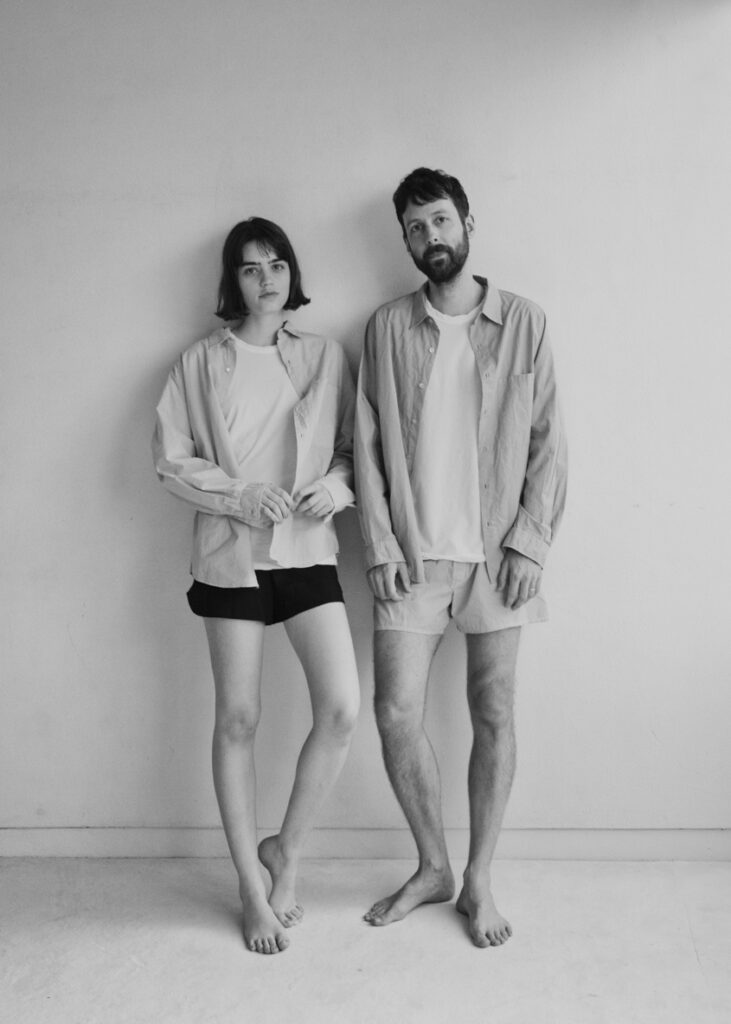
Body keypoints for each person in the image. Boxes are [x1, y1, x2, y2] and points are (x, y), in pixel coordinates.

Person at [354, 168, 567, 948]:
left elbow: (548, 442)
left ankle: (479, 878)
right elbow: (365, 443)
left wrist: (529, 542)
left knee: (494, 710)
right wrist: (379, 545)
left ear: (467, 223)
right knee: (393, 712)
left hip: (496, 556)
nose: (430, 237)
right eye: (415, 228)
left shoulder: (524, 323)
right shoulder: (384, 328)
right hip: (412, 558)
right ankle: (432, 866)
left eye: (440, 220)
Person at [152, 217, 360, 955]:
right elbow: (170, 459)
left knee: (341, 709)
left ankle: (286, 853)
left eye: (276, 264)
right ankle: (249, 884)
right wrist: (240, 495)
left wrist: (336, 489)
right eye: (249, 268)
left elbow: (351, 448)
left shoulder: (325, 356)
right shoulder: (198, 362)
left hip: (305, 554)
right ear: (232, 282)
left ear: (291, 273)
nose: (266, 279)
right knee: (238, 719)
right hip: (231, 557)